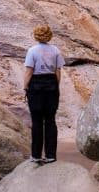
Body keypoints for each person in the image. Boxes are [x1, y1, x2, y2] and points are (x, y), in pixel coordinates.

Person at [24, 25, 65, 163]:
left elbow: (29, 71)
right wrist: (55, 86)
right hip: (51, 84)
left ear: (36, 35)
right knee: (50, 120)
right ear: (49, 35)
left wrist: (25, 87)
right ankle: (51, 155)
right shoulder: (56, 50)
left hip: (36, 85)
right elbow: (58, 72)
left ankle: (36, 155)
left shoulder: (32, 51)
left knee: (36, 121)